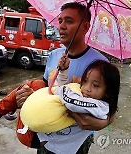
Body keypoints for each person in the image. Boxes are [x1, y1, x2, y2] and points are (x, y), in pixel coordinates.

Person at [16, 2, 115, 154]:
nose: (61, 26)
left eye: (69, 21)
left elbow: (110, 108)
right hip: (47, 134)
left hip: (76, 141)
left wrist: (103, 123)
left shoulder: (100, 65)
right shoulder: (54, 55)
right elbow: (45, 88)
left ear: (85, 27)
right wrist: (31, 96)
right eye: (60, 21)